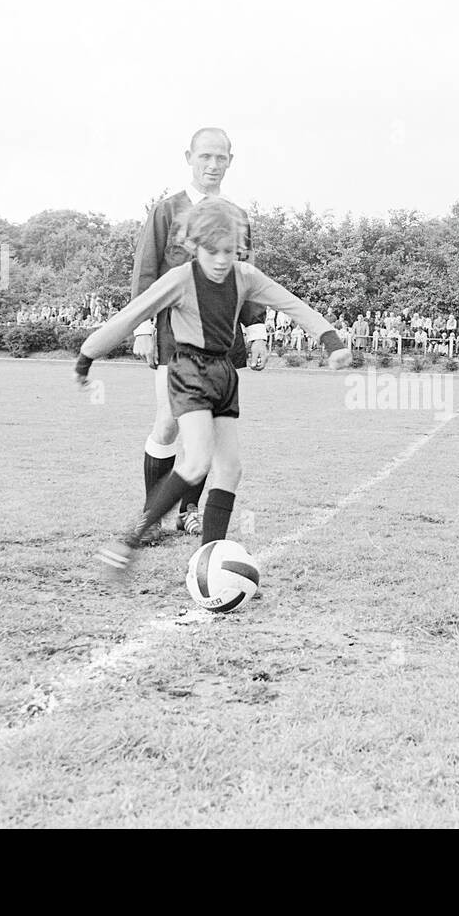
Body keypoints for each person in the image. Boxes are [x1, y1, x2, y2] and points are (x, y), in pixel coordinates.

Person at [78, 199, 350, 579]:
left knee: (231, 470)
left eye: (229, 251)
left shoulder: (245, 276)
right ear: (193, 246)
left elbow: (292, 304)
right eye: (212, 251)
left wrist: (332, 341)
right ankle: (129, 542)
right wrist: (87, 355)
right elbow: (132, 315)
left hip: (224, 372)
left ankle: (207, 562)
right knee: (196, 461)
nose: (221, 260)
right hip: (188, 369)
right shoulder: (180, 279)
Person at [128, 127, 266, 541]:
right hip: (174, 335)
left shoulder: (237, 217)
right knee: (169, 421)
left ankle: (189, 512)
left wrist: (256, 331)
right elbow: (146, 271)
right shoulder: (166, 210)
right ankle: (149, 517)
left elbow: (248, 279)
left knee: (205, 428)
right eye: (204, 156)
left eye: (220, 158)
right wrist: (142, 329)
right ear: (189, 157)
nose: (212, 165)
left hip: (220, 342)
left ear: (230, 161)